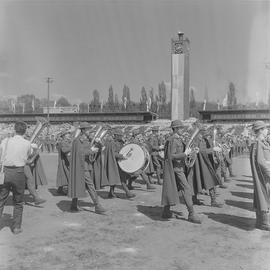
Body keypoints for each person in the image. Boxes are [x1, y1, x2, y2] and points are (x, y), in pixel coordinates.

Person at [161, 120, 201, 224]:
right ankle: (191, 214)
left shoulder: (178, 139)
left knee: (172, 189)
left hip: (179, 168)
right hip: (176, 169)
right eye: (181, 128)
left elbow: (184, 152)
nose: (183, 130)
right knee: (186, 189)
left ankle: (166, 211)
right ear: (176, 129)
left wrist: (192, 151)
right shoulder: (173, 140)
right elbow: (171, 156)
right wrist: (184, 154)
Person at [0, 121, 32, 234]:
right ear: (25, 131)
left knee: (1, 199)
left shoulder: (6, 141)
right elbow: (28, 157)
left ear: (14, 130)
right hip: (19, 173)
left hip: (6, 172)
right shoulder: (27, 143)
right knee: (18, 201)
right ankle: (17, 227)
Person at [68, 122, 106, 214]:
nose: (90, 131)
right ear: (84, 130)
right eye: (88, 129)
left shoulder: (88, 139)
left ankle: (73, 204)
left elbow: (101, 148)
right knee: (90, 186)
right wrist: (91, 151)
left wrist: (99, 143)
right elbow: (80, 153)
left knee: (80, 184)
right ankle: (97, 205)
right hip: (82, 166)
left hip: (87, 165)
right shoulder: (78, 140)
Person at [250, 121, 270, 230]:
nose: (267, 130)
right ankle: (264, 222)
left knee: (262, 195)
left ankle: (260, 221)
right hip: (264, 176)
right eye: (266, 128)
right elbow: (261, 162)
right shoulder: (258, 143)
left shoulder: (262, 142)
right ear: (261, 130)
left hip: (265, 175)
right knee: (264, 196)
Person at [104, 129, 136, 199]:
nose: (121, 137)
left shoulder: (120, 142)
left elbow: (123, 150)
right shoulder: (112, 143)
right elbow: (113, 153)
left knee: (117, 178)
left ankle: (111, 193)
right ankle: (128, 193)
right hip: (115, 163)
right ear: (116, 136)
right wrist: (122, 156)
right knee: (122, 178)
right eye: (120, 135)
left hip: (121, 162)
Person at [56, 130, 72, 195]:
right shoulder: (63, 142)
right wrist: (72, 146)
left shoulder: (66, 142)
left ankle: (60, 189)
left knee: (63, 175)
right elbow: (64, 150)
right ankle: (69, 190)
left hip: (65, 160)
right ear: (64, 136)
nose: (69, 135)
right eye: (67, 134)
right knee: (67, 175)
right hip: (64, 160)